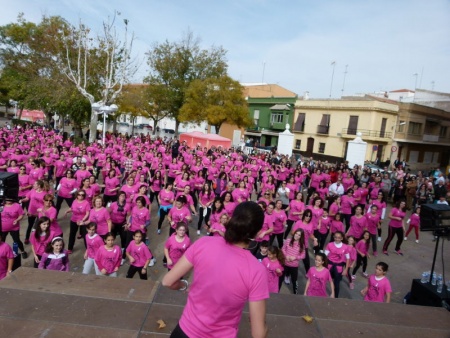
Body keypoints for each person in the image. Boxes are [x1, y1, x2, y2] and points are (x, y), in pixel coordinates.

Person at [162, 201, 269, 338]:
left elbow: (167, 281)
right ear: (258, 232)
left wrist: (184, 285)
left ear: (232, 219)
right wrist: (264, 326)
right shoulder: (256, 270)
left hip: (184, 331)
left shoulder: (203, 243)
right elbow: (258, 334)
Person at [324, 231, 350, 298]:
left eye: (339, 238)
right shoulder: (329, 245)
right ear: (333, 237)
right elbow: (324, 256)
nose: (337, 239)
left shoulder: (345, 247)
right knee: (325, 280)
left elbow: (348, 258)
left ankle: (335, 297)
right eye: (335, 237)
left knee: (337, 283)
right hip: (330, 265)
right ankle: (321, 294)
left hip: (339, 267)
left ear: (341, 238)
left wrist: (346, 269)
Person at [282, 228, 305, 294]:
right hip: (285, 263)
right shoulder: (288, 240)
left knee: (294, 280)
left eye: (299, 235)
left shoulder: (302, 245)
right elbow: (283, 249)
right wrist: (286, 255)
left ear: (301, 237)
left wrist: (295, 257)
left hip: (294, 265)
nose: (297, 236)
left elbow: (303, 255)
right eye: (296, 234)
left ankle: (295, 292)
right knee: (281, 277)